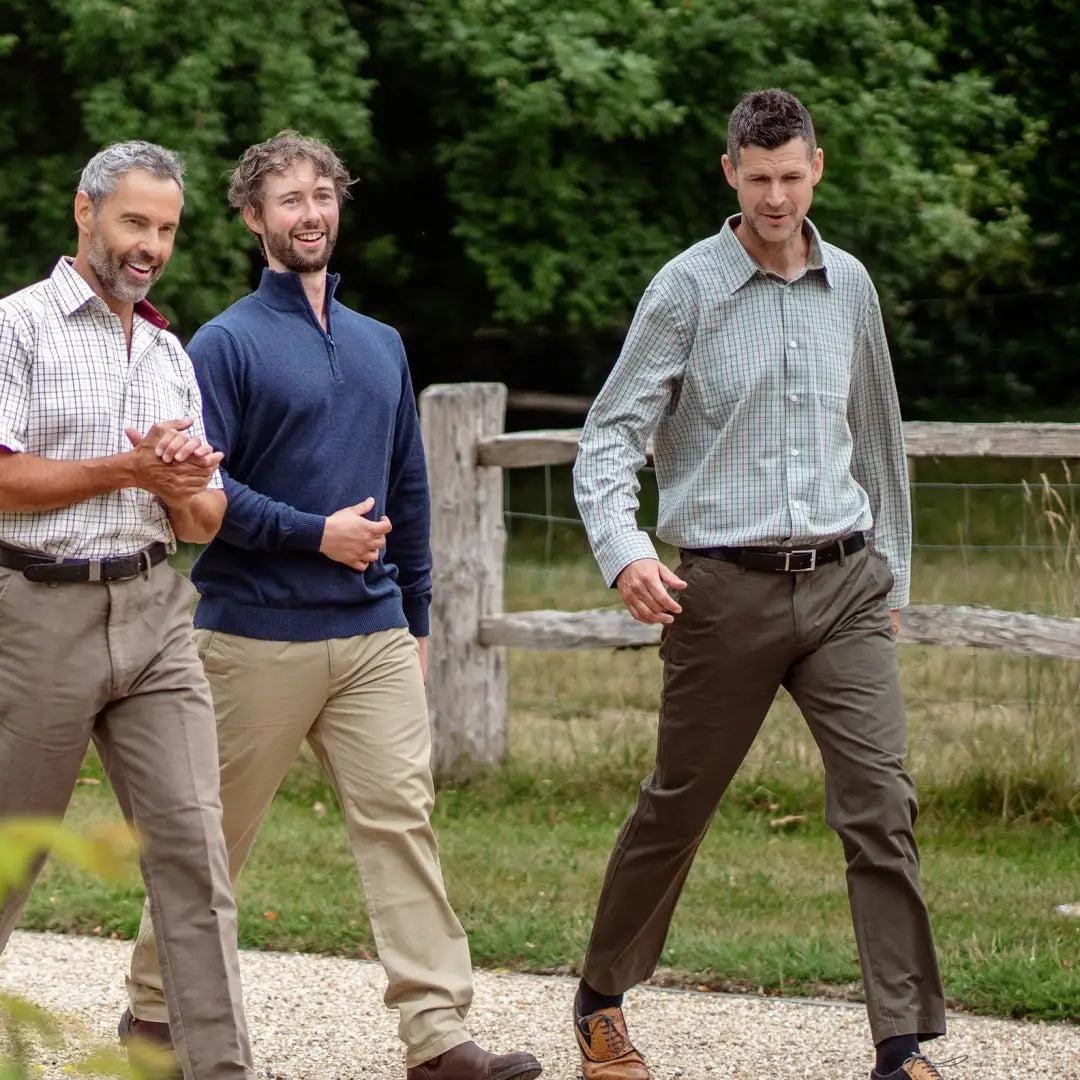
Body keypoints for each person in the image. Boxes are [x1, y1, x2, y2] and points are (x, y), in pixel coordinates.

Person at [120, 130, 543, 1080]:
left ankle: (436, 1038)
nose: (310, 215)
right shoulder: (222, 346)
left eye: (323, 196)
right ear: (253, 218)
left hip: (373, 632)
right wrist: (316, 533)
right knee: (211, 844)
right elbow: (201, 501)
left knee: (403, 821)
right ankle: (152, 1014)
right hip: (250, 636)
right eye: (289, 201)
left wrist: (419, 618)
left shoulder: (382, 344)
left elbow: (410, 490)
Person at [571, 90, 949, 1080]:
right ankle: (601, 997)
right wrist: (627, 550)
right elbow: (609, 436)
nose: (777, 196)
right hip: (722, 591)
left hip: (844, 585)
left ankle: (901, 1042)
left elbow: (878, 434)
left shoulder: (852, 286)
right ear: (729, 171)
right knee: (678, 804)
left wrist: (892, 572)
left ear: (816, 168)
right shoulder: (686, 291)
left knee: (880, 803)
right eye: (760, 177)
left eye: (793, 176)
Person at [0, 141, 254, 1080]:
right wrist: (129, 467)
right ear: (86, 212)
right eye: (134, 222)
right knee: (6, 860)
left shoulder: (168, 352)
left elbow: (205, 518)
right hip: (36, 616)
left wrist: (184, 487)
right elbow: (5, 480)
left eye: (168, 229)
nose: (151, 245)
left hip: (154, 615)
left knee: (195, 856)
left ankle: (220, 1069)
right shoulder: (15, 328)